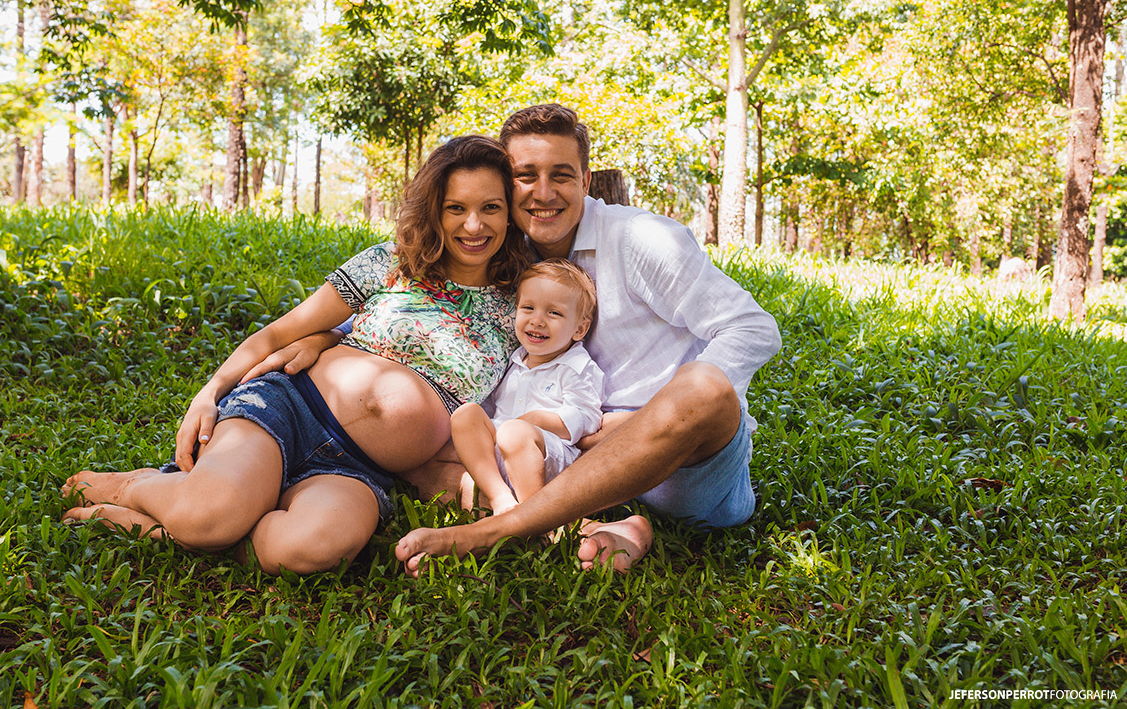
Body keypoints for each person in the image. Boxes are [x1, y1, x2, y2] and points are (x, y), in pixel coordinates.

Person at [267, 104, 782, 574]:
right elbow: (427, 314)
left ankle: (499, 530)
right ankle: (608, 526)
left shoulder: (642, 239)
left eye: (561, 175)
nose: (543, 192)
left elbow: (753, 329)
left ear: (585, 179)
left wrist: (644, 421)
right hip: (562, 456)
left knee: (704, 389)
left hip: (677, 467)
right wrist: (333, 336)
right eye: (525, 176)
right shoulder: (505, 255)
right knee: (430, 437)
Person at [61, 135, 532, 575]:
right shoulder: (390, 262)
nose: (474, 225)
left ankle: (201, 514)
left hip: (359, 469)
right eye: (456, 208)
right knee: (207, 518)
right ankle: (135, 487)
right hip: (290, 408)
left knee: (305, 551)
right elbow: (278, 334)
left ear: (510, 212)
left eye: (490, 207)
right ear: (435, 211)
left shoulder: (525, 302)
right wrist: (209, 393)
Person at [452, 258, 603, 517]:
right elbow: (491, 410)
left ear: (580, 328)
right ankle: (500, 497)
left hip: (548, 456)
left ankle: (536, 516)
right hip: (500, 454)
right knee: (466, 414)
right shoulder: (514, 359)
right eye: (528, 308)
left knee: (514, 433)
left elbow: (588, 415)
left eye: (553, 313)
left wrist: (538, 420)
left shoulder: (575, 365)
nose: (537, 320)